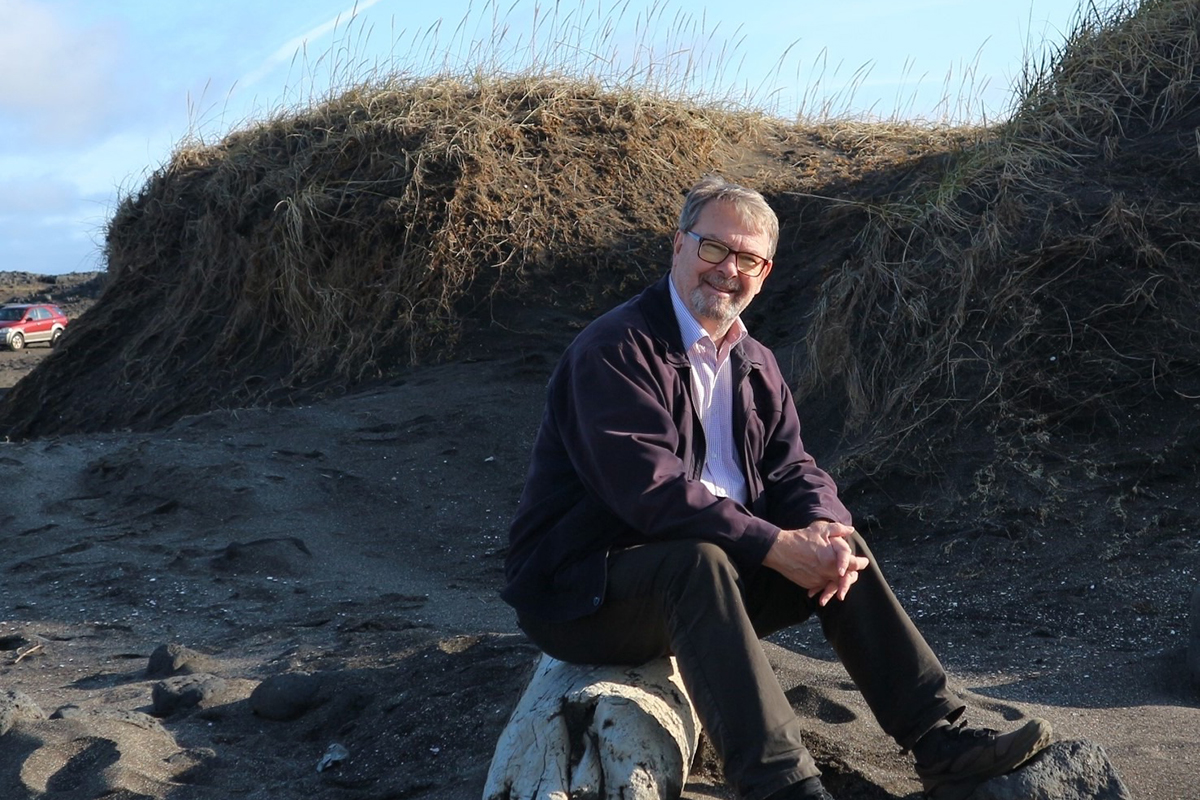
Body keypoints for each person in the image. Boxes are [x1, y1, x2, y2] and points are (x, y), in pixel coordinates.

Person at [501, 176, 1050, 800]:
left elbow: (794, 469)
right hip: (582, 593)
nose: (727, 270)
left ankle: (940, 739)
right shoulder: (615, 350)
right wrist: (771, 546)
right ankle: (780, 784)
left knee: (846, 549)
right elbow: (649, 492)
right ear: (678, 246)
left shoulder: (755, 363)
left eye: (748, 259)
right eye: (713, 249)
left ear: (764, 272)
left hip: (709, 582)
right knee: (696, 562)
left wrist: (822, 527)